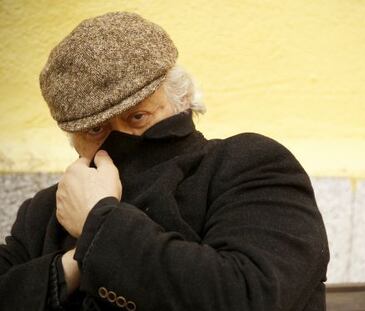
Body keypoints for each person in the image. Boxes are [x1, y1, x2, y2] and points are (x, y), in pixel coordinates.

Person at [0, 11, 329, 311]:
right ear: (74, 138)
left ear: (181, 99)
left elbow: (250, 297)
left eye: (138, 116)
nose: (122, 140)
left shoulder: (248, 165)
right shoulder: (49, 209)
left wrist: (97, 226)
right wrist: (70, 266)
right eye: (96, 128)